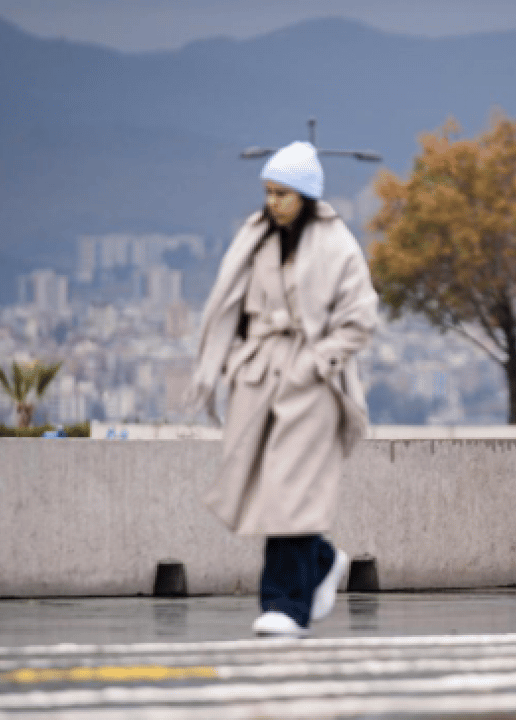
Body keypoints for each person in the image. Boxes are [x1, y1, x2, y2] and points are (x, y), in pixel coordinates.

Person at [189, 141, 380, 636]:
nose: (272, 202)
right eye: (269, 192)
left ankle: (284, 605)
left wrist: (316, 363)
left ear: (307, 196)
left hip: (312, 385)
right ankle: (321, 560)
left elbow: (360, 319)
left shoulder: (337, 246)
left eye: (283, 193)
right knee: (270, 490)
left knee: (289, 494)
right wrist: (232, 361)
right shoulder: (255, 239)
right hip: (258, 379)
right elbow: (227, 305)